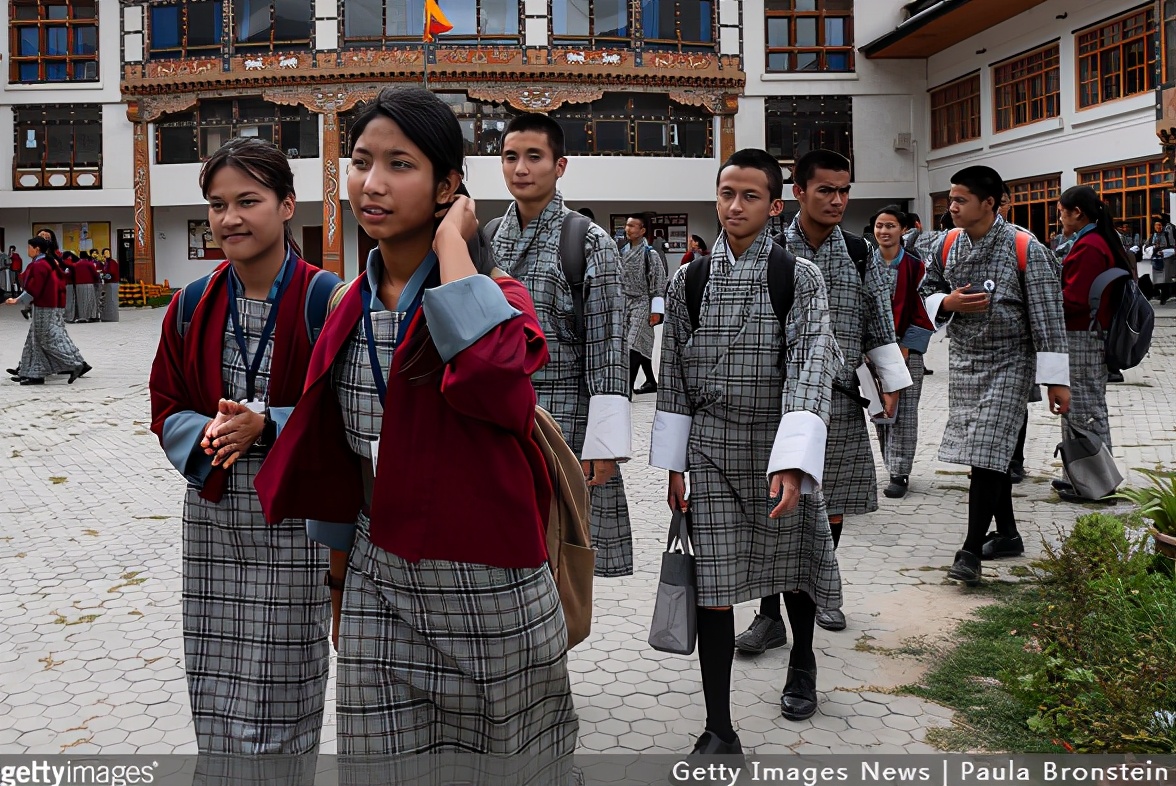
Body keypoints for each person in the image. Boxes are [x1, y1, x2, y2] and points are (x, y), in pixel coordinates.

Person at [253, 88, 577, 770]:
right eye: (361, 161)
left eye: (399, 165)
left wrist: (454, 247)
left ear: (448, 186)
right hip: (378, 577)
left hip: (488, 583)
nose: (371, 184)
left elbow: (492, 378)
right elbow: (338, 461)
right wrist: (340, 588)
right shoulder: (344, 305)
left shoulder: (500, 297)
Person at [148, 137, 338, 756]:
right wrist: (206, 433)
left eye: (248, 201)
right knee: (214, 666)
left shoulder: (327, 300)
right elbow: (166, 403)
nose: (230, 218)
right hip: (215, 517)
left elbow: (348, 407)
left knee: (285, 674)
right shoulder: (191, 304)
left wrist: (270, 421)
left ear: (287, 205)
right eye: (217, 204)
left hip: (295, 520)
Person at [651, 148, 843, 752]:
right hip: (709, 447)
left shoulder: (796, 276)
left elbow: (811, 363)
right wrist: (675, 462)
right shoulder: (690, 278)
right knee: (712, 584)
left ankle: (804, 661)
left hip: (775, 444)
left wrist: (793, 458)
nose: (735, 206)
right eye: (726, 193)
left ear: (773, 204)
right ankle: (719, 726)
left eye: (750, 196)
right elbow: (674, 372)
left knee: (794, 566)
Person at [739, 149, 910, 643]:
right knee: (775, 502)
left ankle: (819, 596)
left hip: (839, 396)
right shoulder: (768, 246)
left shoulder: (860, 253)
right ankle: (769, 613)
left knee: (829, 504)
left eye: (844, 190)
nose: (838, 200)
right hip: (778, 399)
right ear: (798, 193)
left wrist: (891, 382)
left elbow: (879, 320)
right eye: (826, 190)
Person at [488, 112, 634, 577]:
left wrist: (605, 444)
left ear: (560, 165)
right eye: (511, 157)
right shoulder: (485, 239)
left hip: (566, 419)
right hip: (496, 418)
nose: (521, 169)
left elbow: (609, 345)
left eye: (534, 157)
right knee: (502, 550)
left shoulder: (588, 242)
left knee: (560, 557)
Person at [920, 165, 1070, 582]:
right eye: (950, 199)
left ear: (989, 203)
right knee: (985, 455)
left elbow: (1047, 317)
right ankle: (1007, 534)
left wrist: (1056, 380)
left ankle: (969, 551)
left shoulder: (1025, 247)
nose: (951, 207)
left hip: (1010, 362)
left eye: (960, 200)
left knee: (986, 450)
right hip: (966, 363)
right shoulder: (945, 244)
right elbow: (924, 290)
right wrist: (946, 303)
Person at [1050, 186, 1136, 501]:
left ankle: (1094, 483)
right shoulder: (1100, 241)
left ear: (1078, 213)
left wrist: (1043, 302)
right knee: (1087, 409)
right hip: (1091, 335)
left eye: (1061, 211)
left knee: (1083, 410)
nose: (1059, 217)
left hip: (1081, 337)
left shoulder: (1089, 247)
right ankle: (1080, 477)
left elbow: (1075, 300)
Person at [870, 206, 935, 499]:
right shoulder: (863, 263)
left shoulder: (917, 266)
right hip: (872, 351)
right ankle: (890, 463)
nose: (884, 231)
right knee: (880, 410)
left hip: (906, 348)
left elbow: (925, 308)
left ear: (903, 230)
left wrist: (907, 344)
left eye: (891, 226)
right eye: (880, 226)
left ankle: (899, 472)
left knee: (905, 411)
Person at [4, 236, 89, 385]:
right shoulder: (47, 262)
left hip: (44, 305)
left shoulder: (40, 265)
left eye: (29, 247)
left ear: (37, 249)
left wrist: (17, 300)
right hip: (48, 304)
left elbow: (34, 288)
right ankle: (35, 374)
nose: (27, 250)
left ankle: (75, 364)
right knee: (35, 341)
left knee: (44, 340)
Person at [619, 213, 668, 395]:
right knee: (641, 343)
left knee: (633, 344)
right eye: (627, 225)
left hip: (643, 302)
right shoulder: (622, 252)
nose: (628, 229)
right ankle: (651, 381)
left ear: (642, 231)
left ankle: (627, 388)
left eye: (632, 226)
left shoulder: (650, 254)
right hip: (626, 303)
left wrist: (656, 310)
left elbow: (659, 283)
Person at [1144, 215, 1175, 305]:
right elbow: (1146, 246)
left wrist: (1164, 251)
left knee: (1165, 278)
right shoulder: (1152, 236)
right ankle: (1159, 294)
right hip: (1156, 260)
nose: (1158, 227)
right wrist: (1153, 248)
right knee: (1156, 279)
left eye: (1160, 225)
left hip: (1165, 259)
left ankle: (1165, 296)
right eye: (1156, 225)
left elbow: (1172, 246)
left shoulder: (1167, 235)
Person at [71, 250, 101, 323]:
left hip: (78, 285)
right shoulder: (89, 264)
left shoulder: (76, 265)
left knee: (81, 301)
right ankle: (91, 316)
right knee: (90, 300)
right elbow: (95, 273)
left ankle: (82, 317)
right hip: (89, 284)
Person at [100, 247, 120, 322]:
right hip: (107, 284)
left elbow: (112, 272)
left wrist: (104, 275)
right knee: (107, 300)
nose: (107, 254)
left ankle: (113, 317)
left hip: (112, 283)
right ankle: (107, 317)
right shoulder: (106, 263)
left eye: (108, 252)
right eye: (105, 253)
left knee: (112, 300)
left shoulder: (112, 262)